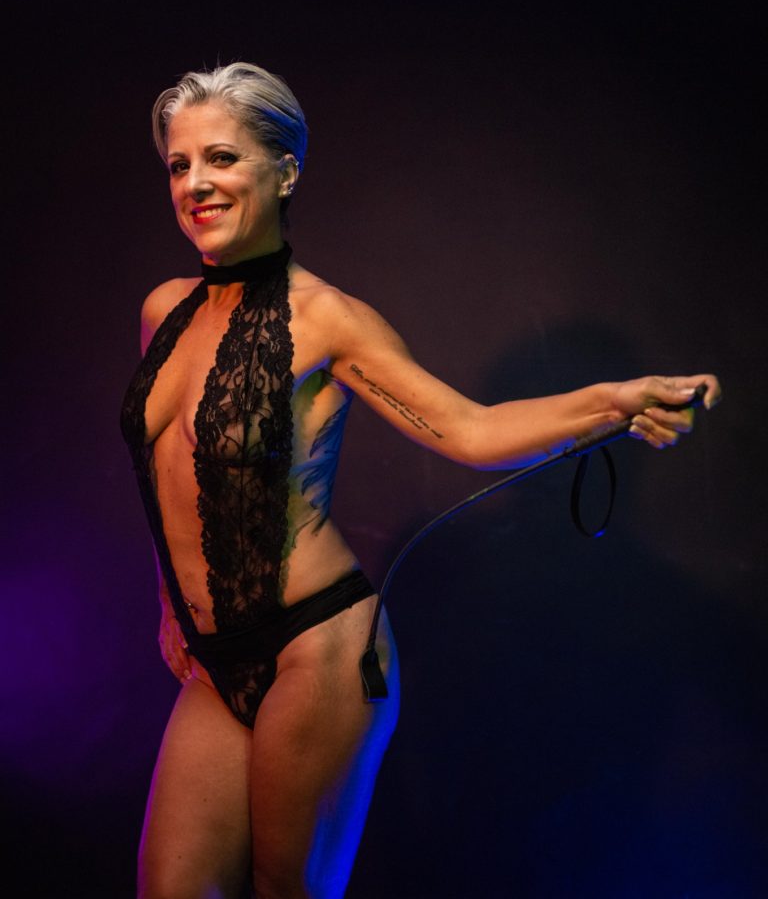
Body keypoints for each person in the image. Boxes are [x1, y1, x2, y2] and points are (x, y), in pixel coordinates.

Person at [120, 62, 720, 899]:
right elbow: (172, 474)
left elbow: (470, 430)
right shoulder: (163, 309)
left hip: (317, 648)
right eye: (179, 165)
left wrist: (610, 404)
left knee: (289, 889)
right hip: (213, 657)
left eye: (221, 158)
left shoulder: (328, 319)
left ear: (284, 172)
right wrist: (170, 602)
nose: (195, 184)